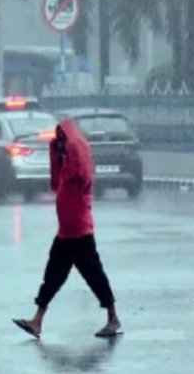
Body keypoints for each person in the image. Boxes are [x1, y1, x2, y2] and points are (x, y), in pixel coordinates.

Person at [14, 119, 121, 339]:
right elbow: (56, 181)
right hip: (65, 233)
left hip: (80, 233)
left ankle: (112, 317)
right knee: (52, 276)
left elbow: (80, 175)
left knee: (94, 275)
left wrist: (67, 152)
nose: (61, 146)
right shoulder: (65, 170)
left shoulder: (78, 169)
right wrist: (56, 151)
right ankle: (37, 320)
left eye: (63, 141)